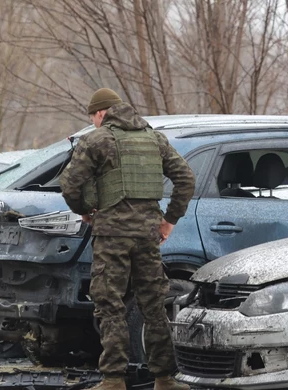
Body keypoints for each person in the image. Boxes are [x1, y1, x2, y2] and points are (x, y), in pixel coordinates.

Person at [60, 88, 195, 390]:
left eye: (92, 116)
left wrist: (84, 210)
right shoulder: (154, 137)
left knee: (110, 304)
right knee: (153, 305)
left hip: (111, 235)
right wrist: (169, 220)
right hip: (148, 235)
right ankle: (165, 379)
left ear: (100, 113)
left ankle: (113, 380)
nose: (94, 122)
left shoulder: (96, 139)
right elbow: (186, 178)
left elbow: (69, 184)